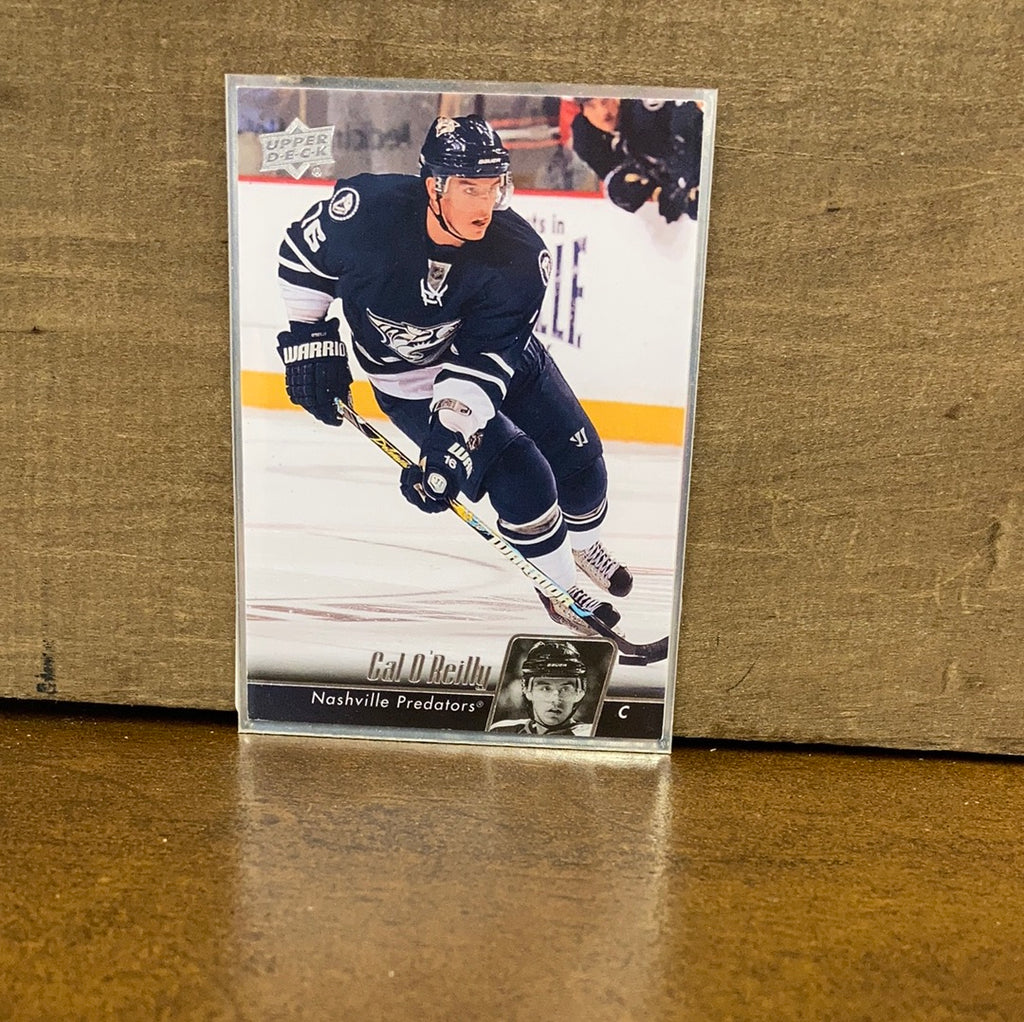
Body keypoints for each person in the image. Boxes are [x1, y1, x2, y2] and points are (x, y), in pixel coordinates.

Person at [274, 114, 633, 636]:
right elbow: (302, 257)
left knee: (583, 468)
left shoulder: (519, 257)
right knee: (524, 481)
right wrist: (310, 340)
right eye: (469, 188)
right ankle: (560, 589)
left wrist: (449, 441)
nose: (485, 204)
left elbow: (480, 365)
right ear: (433, 186)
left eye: (493, 187)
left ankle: (583, 546)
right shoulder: (367, 212)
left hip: (502, 362)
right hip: (409, 383)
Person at [571, 97, 703, 223]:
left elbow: (688, 127)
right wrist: (623, 188)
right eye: (591, 106)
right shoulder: (585, 136)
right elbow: (612, 176)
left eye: (605, 101)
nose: (603, 112)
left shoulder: (643, 113)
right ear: (583, 111)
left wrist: (686, 185)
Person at [488, 640, 595, 736]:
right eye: (545, 689)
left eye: (565, 689)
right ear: (527, 690)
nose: (555, 700)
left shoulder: (591, 734)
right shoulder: (501, 732)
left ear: (580, 693)